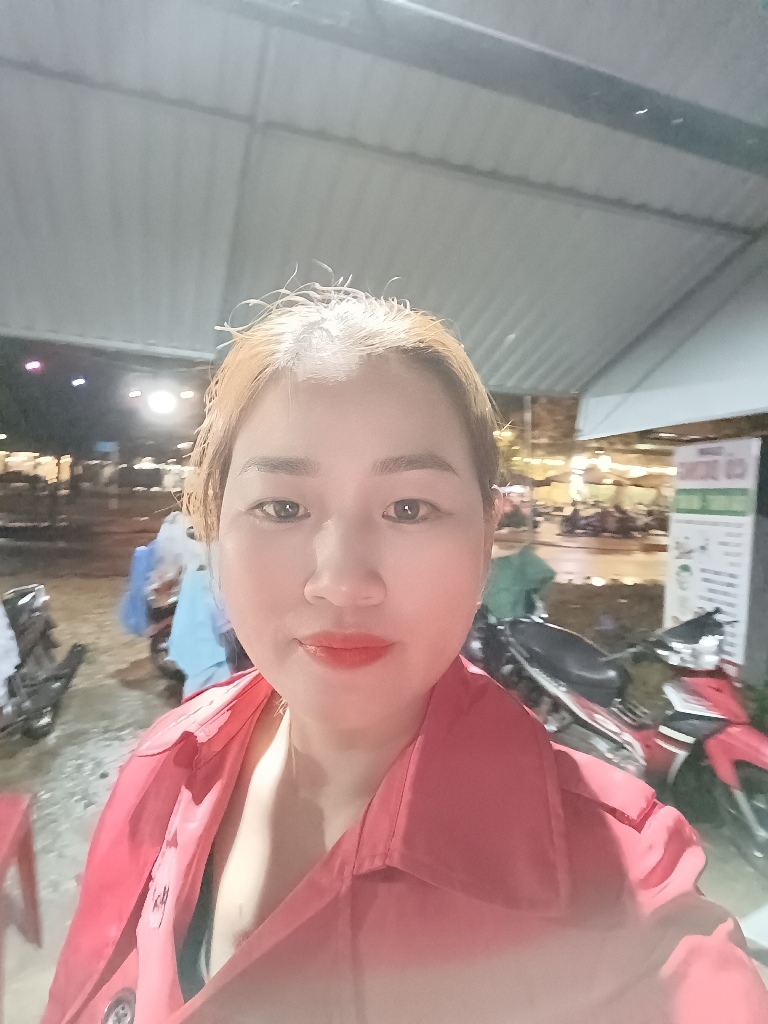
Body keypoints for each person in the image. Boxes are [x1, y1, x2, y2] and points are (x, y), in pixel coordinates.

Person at [43, 287, 768, 1024]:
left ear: (486, 536)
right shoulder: (168, 761)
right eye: (282, 507)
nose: (341, 582)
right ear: (214, 529)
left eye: (409, 508)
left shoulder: (621, 892)